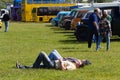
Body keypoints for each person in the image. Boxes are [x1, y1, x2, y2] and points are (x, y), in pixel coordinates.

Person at [16, 50, 91, 70]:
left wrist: (61, 61)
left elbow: (64, 69)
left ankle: (34, 68)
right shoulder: (74, 63)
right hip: (53, 63)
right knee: (37, 66)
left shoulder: (73, 67)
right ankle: (21, 67)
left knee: (42, 53)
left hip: (53, 65)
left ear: (79, 64)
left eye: (80, 61)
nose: (78, 60)